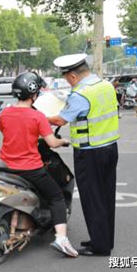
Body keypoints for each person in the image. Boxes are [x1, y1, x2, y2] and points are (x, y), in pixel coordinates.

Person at [0, 72, 78, 258]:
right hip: (30, 169)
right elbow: (51, 142)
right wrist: (64, 141)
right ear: (34, 95)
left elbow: (10, 133)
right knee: (56, 197)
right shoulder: (37, 116)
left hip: (4, 167)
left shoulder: (5, 113)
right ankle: (62, 239)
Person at [48, 53, 119, 256]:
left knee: (92, 198)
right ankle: (105, 240)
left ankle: (100, 246)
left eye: (66, 79)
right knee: (106, 197)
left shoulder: (80, 94)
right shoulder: (105, 85)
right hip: (110, 148)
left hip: (90, 153)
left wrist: (41, 117)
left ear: (72, 76)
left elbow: (61, 120)